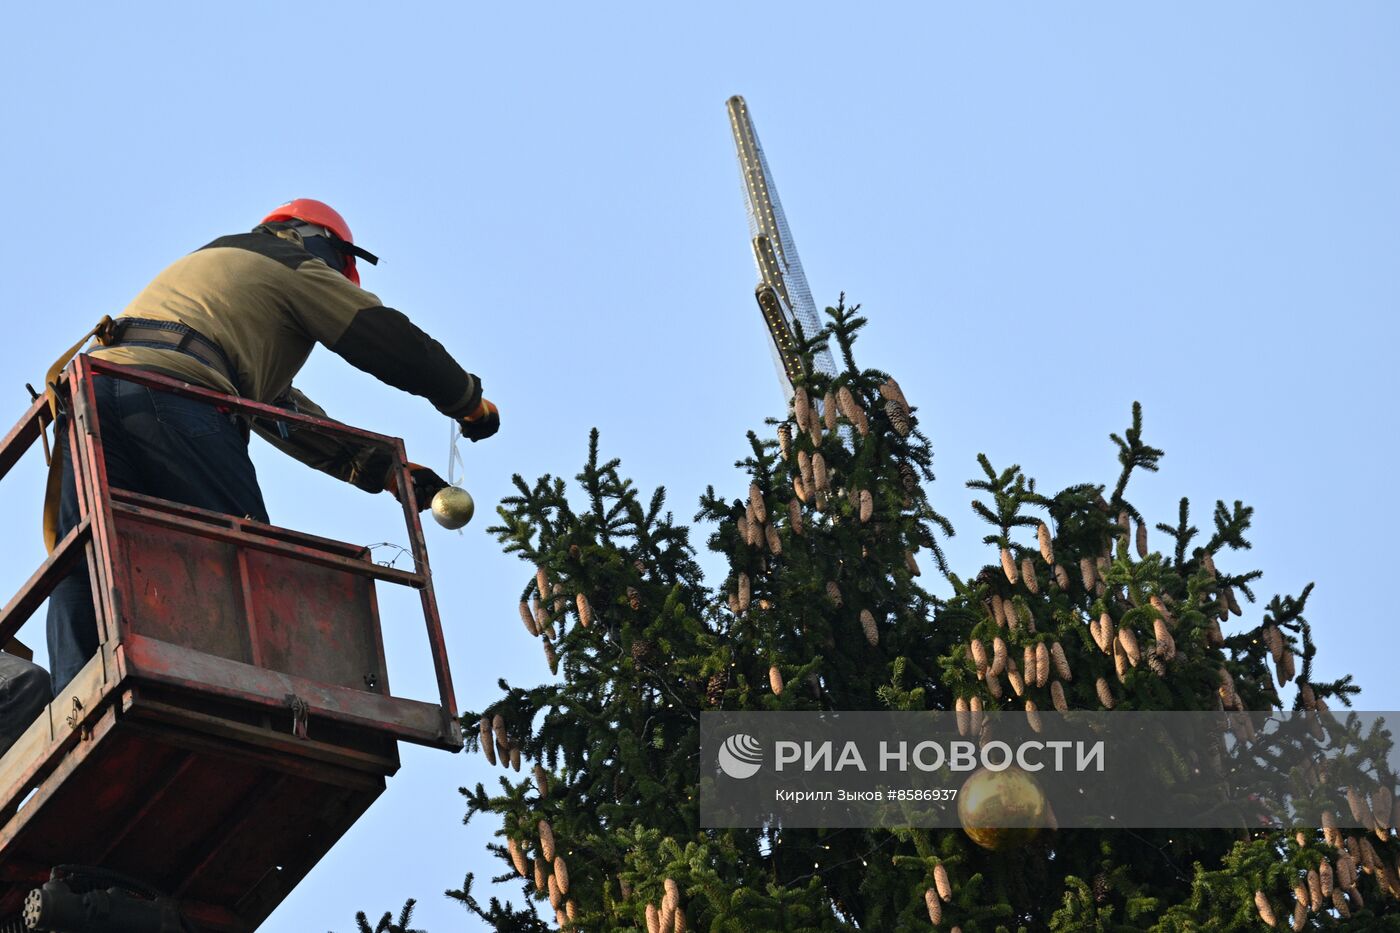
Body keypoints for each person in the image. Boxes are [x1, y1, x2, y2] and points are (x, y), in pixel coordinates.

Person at [41, 198, 500, 698]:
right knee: (240, 558)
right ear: (321, 244)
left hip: (89, 404)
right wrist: (467, 400)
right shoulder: (291, 263)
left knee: (85, 560)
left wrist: (386, 471)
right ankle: (250, 701)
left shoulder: (216, 277)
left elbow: (284, 413)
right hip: (173, 398)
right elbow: (384, 337)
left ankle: (78, 705)